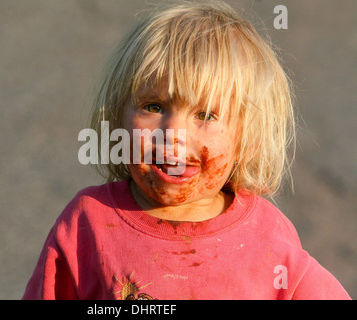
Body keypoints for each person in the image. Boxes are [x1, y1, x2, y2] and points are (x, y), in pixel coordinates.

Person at [22, 1, 350, 300]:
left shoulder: (267, 237)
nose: (173, 135)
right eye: (153, 106)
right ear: (117, 118)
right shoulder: (87, 224)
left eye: (205, 115)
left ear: (247, 139)